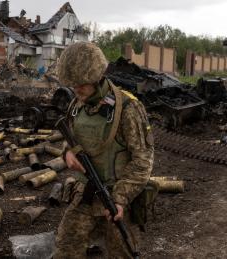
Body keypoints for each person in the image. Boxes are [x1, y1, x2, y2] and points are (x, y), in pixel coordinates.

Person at [54, 42, 154, 258]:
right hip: (86, 193)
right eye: (73, 84)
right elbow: (71, 140)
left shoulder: (128, 108)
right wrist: (67, 153)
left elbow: (143, 161)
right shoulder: (77, 105)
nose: (76, 89)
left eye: (82, 84)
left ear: (97, 77)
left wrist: (119, 199)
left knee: (122, 252)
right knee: (66, 247)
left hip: (117, 196)